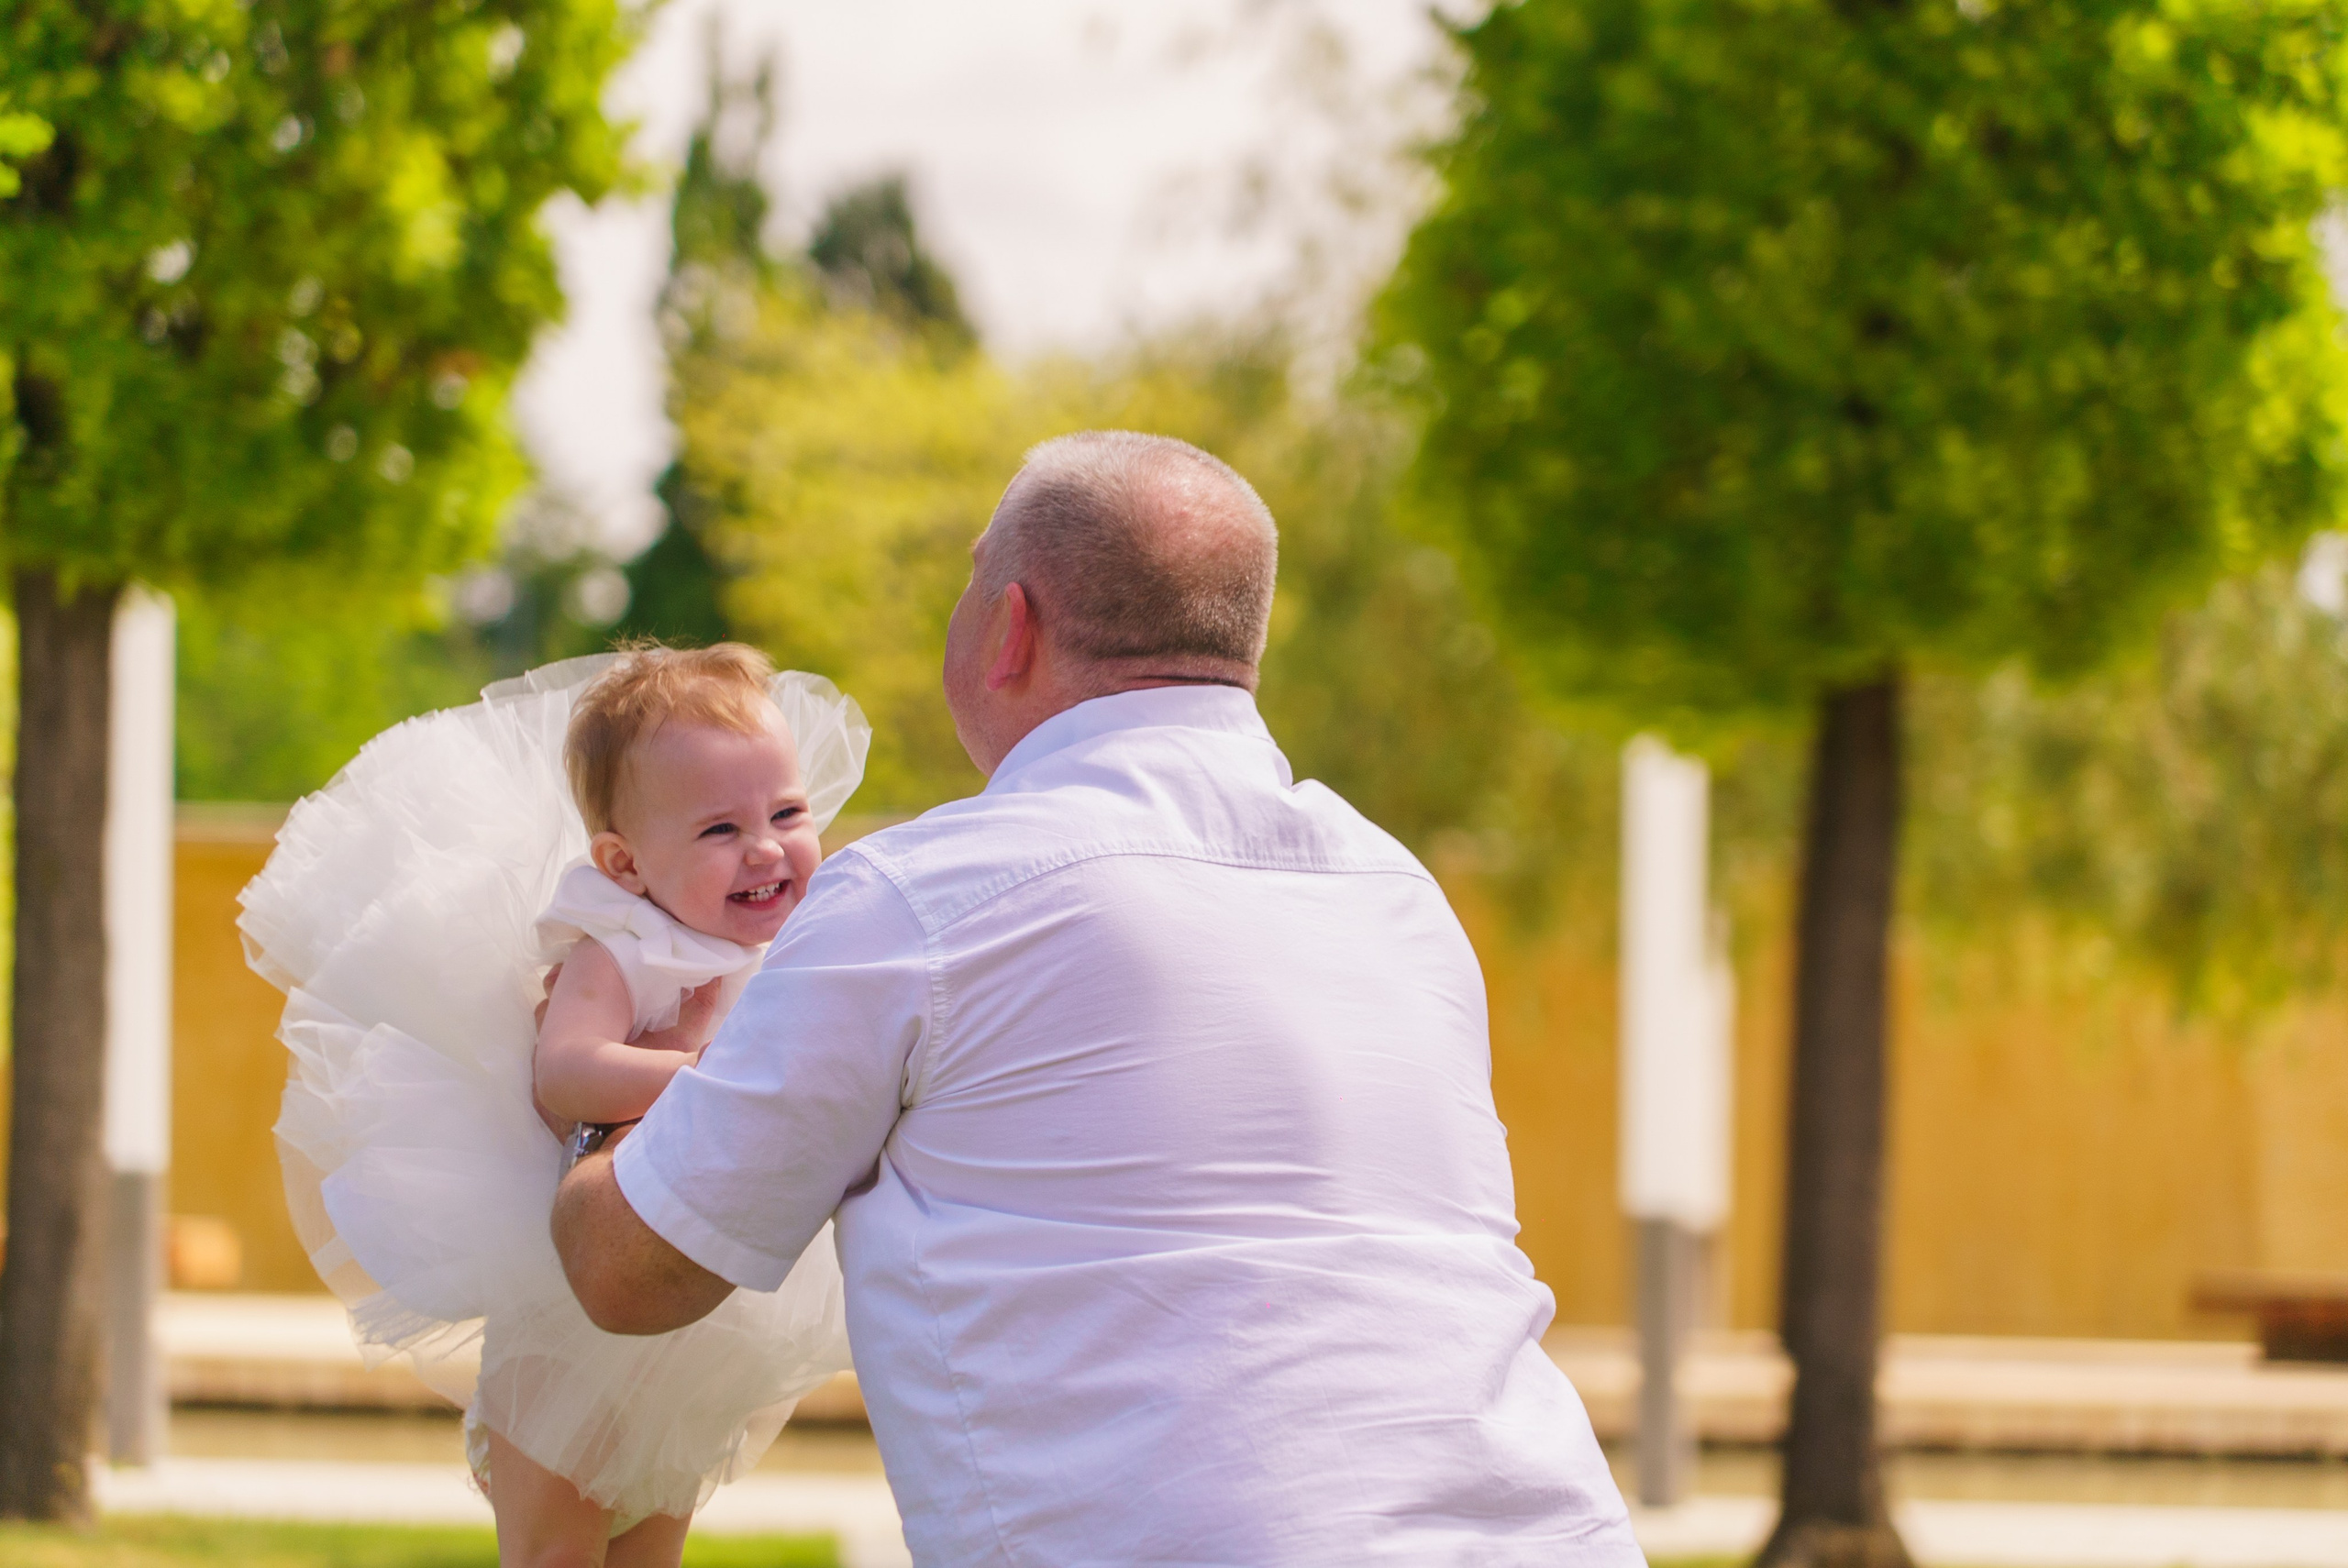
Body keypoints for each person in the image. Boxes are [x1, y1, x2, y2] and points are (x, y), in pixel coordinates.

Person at [554, 431, 1645, 1564]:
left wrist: (596, 1081)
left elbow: (632, 1271)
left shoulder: (922, 902)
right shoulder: (1398, 893)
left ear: (1007, 625)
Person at [241, 646, 871, 1567]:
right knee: (556, 1543)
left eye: (785, 813)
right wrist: (711, 1079)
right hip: (568, 1294)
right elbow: (567, 1070)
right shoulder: (619, 950)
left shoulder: (778, 951)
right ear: (623, 863)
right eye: (718, 831)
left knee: (657, 1521)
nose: (767, 848)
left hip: (686, 1297)